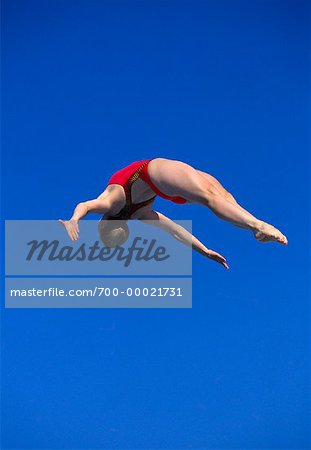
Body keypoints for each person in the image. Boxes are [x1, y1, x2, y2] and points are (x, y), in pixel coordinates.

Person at [59, 158, 287, 269]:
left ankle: (256, 226)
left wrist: (73, 220)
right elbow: (176, 231)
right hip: (166, 187)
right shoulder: (141, 215)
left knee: (214, 197)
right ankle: (256, 228)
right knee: (217, 196)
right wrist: (204, 250)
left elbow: (85, 205)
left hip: (152, 172)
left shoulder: (110, 203)